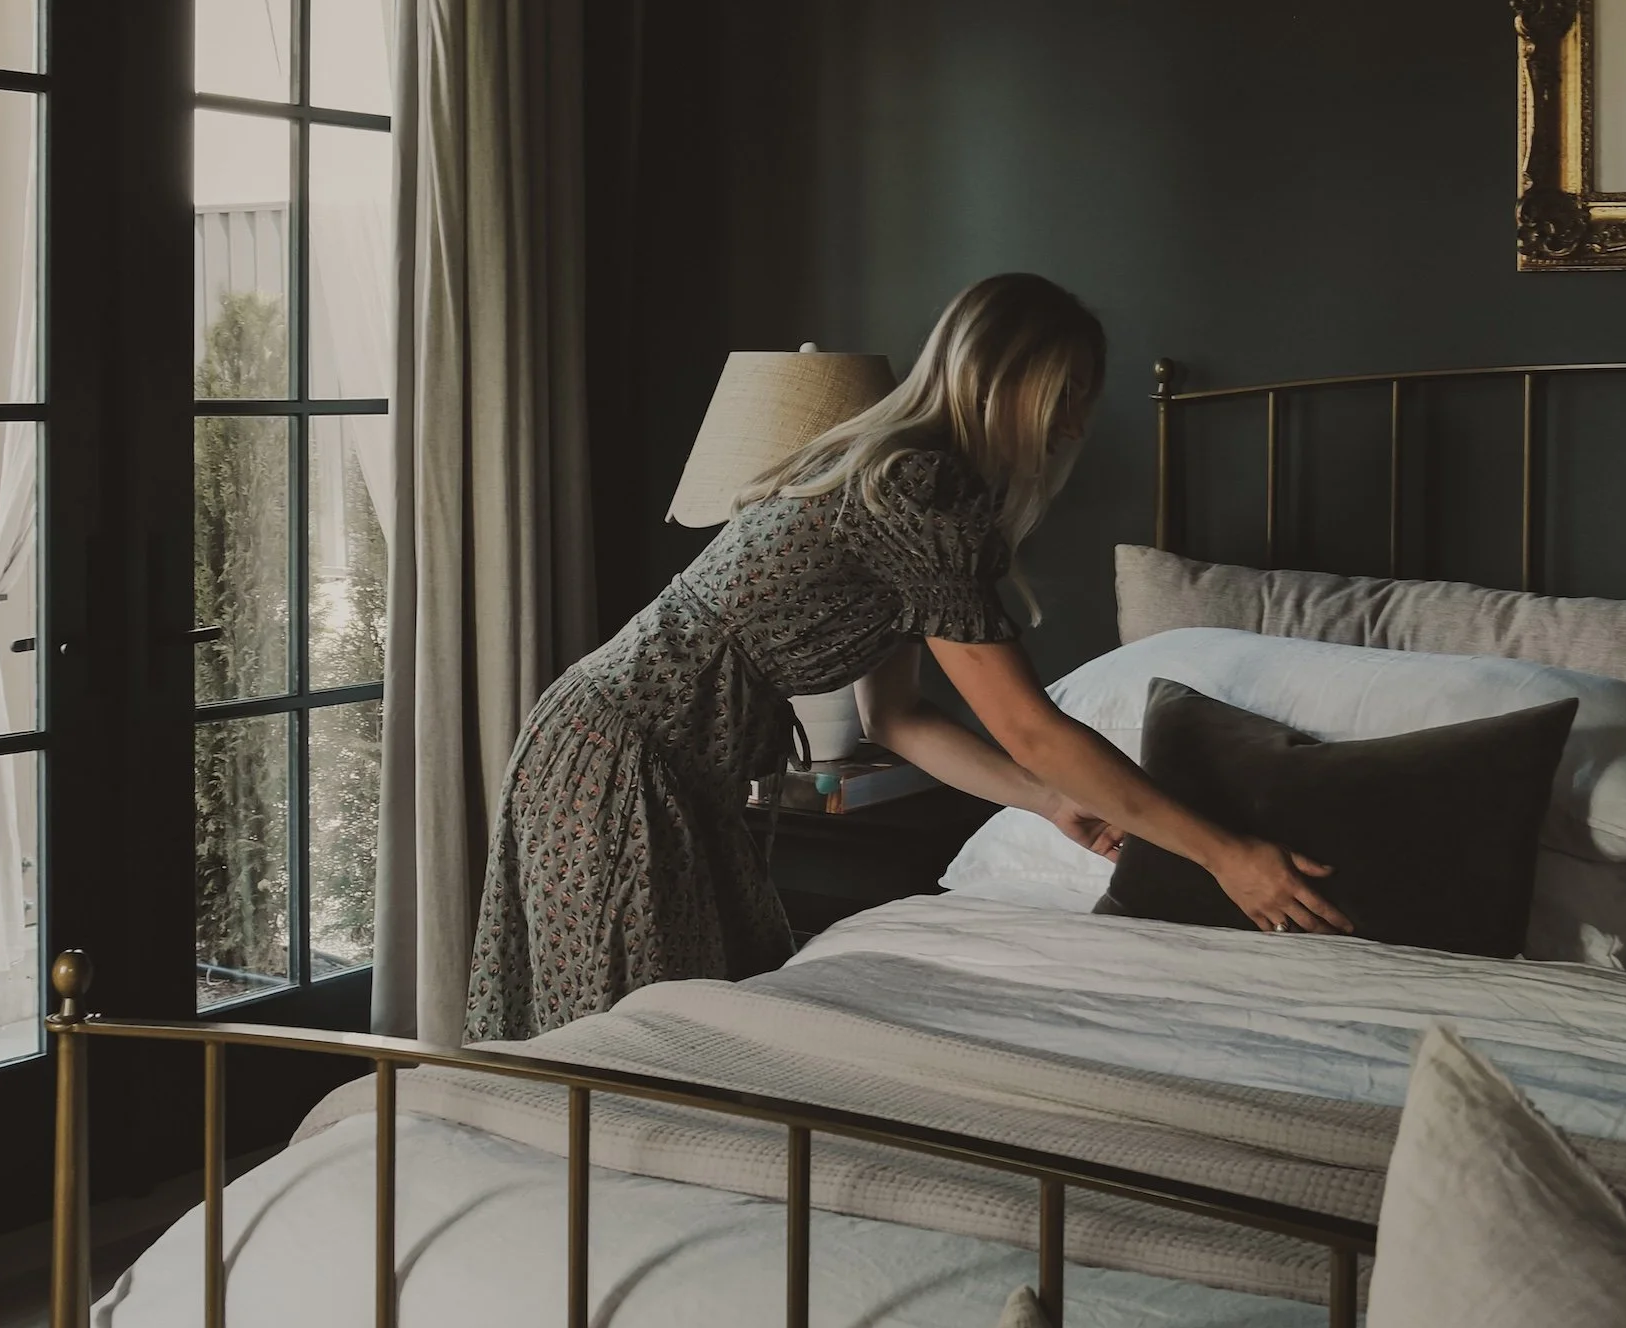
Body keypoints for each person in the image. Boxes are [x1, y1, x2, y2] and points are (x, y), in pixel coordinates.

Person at [463, 272, 1346, 1042]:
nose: (1077, 423)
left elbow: (900, 719)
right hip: (622, 762)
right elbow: (1032, 729)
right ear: (999, 381)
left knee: (694, 1031)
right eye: (1063, 392)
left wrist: (1047, 805)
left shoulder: (909, 485)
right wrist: (1225, 854)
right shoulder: (923, 491)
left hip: (650, 762)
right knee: (635, 1042)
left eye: (1087, 394)